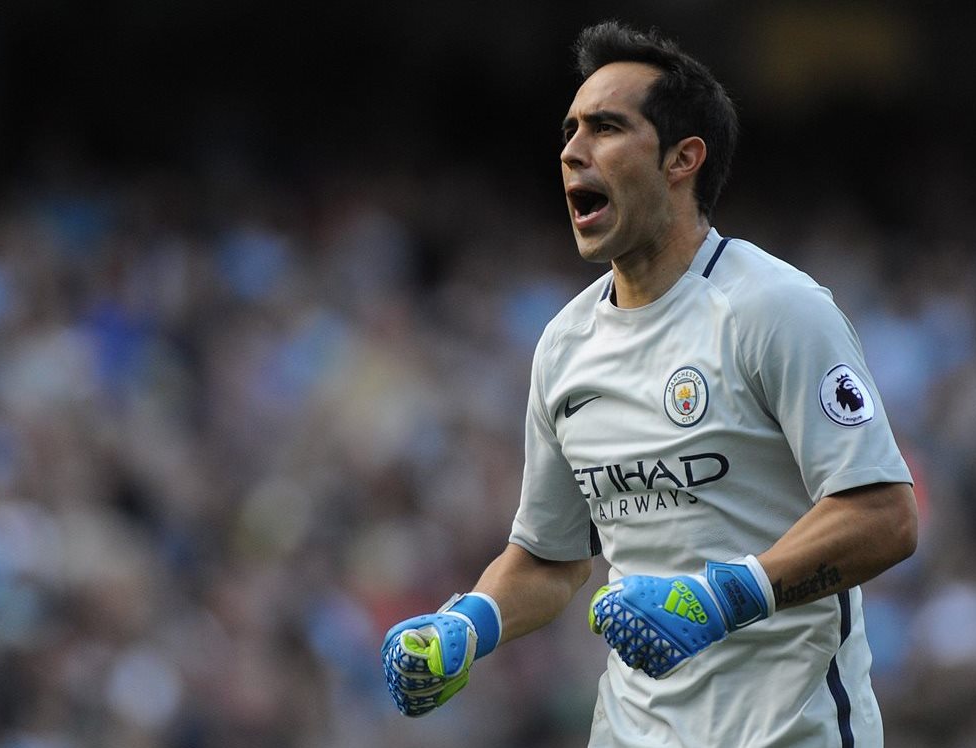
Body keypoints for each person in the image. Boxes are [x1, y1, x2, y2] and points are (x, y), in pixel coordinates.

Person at [382, 20, 918, 747]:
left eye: (605, 127)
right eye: (569, 130)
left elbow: (885, 515)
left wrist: (723, 597)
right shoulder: (565, 346)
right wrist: (469, 623)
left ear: (682, 159)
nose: (571, 150)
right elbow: (551, 558)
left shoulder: (775, 309)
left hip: (786, 733)